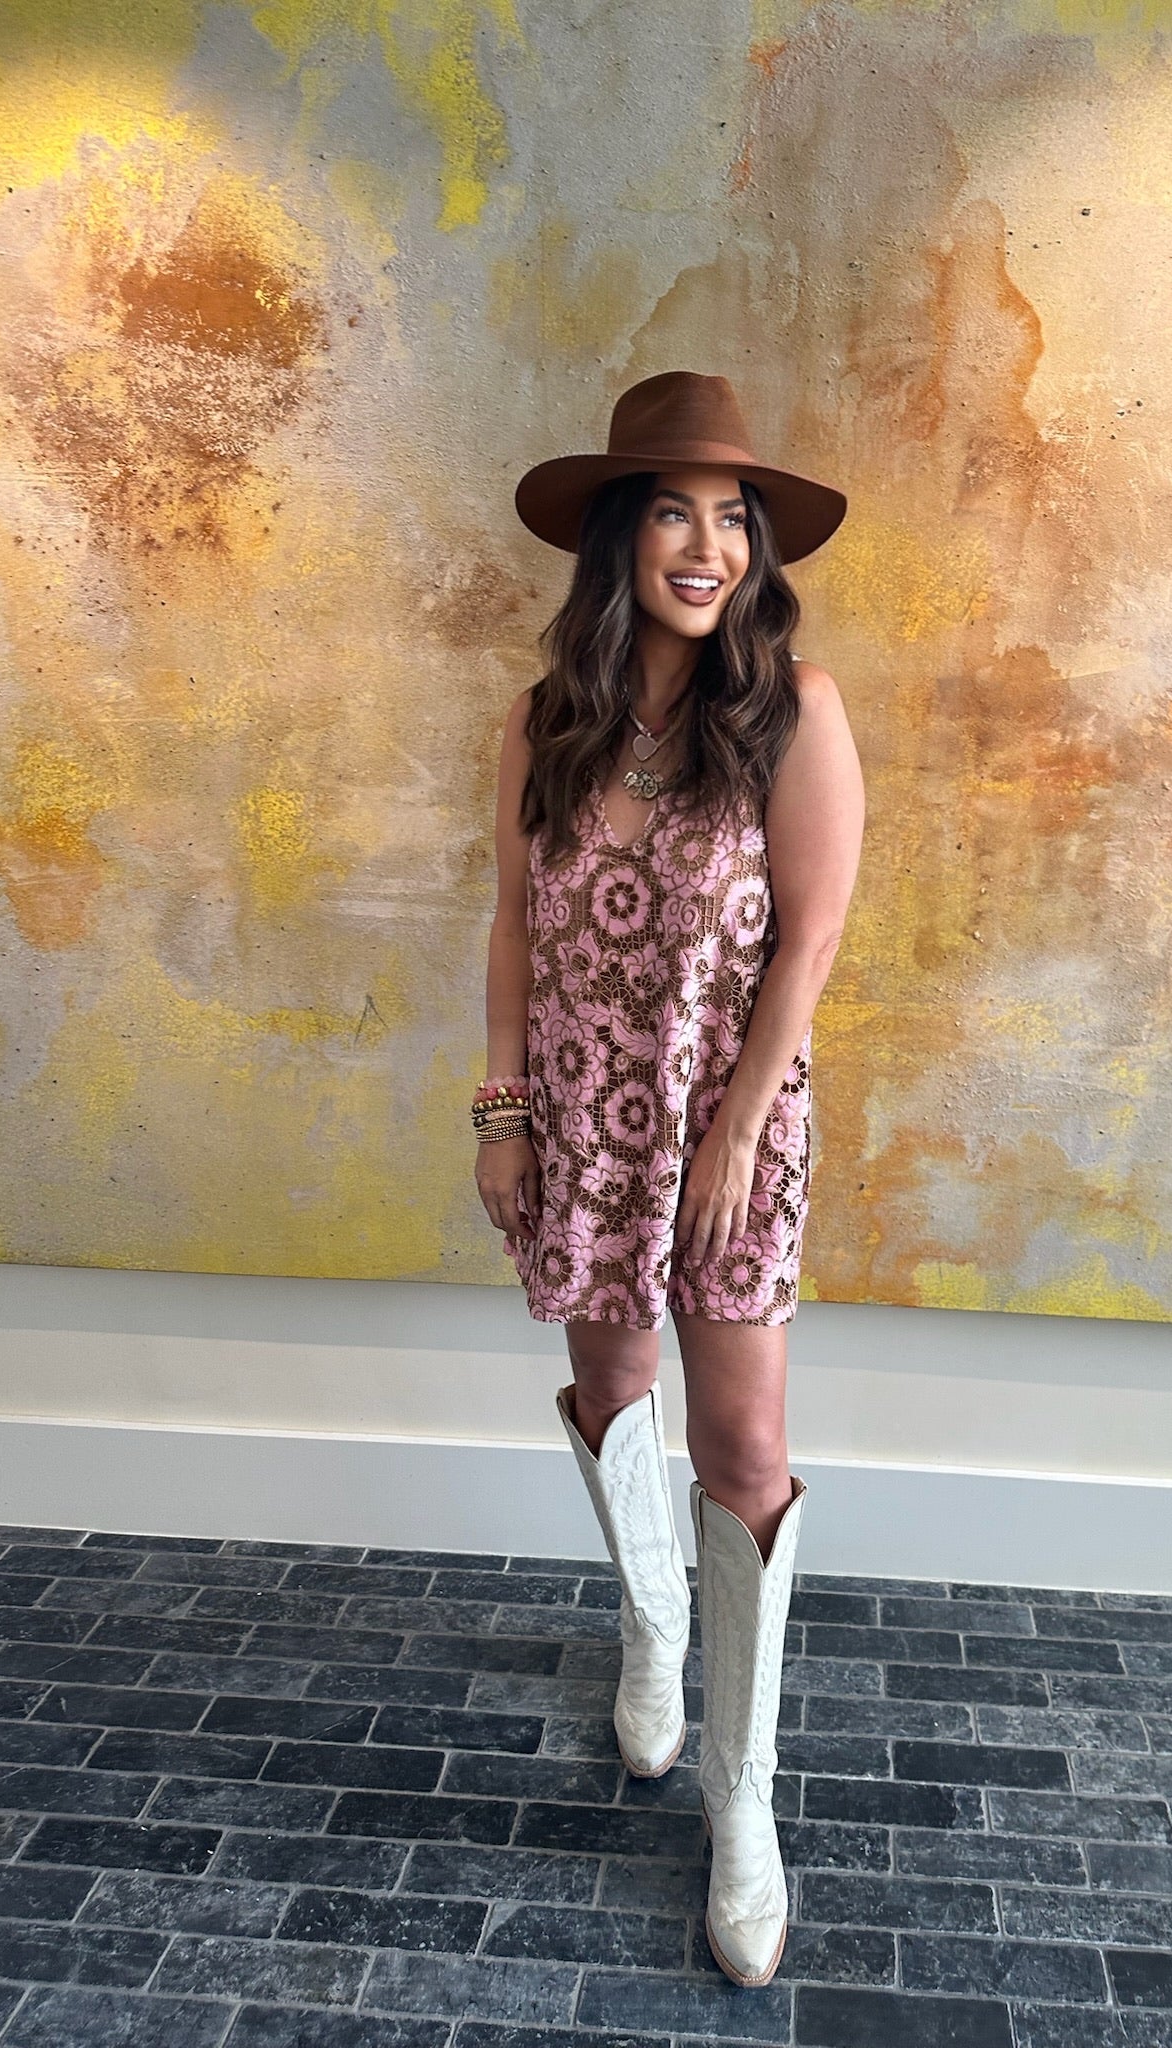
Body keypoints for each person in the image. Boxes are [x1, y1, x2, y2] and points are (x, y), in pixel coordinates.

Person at [473, 370, 864, 1987]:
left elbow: (812, 941)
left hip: (731, 1127)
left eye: (732, 520)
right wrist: (503, 1110)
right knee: (610, 1389)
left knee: (744, 1447)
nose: (707, 548)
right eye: (674, 514)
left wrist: (735, 1130)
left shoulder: (792, 709)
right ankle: (651, 1628)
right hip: (581, 1119)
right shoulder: (546, 719)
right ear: (620, 538)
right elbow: (513, 923)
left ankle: (742, 1804)